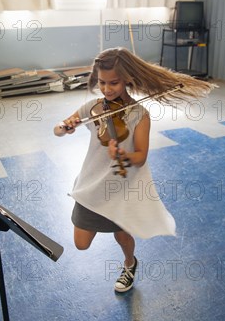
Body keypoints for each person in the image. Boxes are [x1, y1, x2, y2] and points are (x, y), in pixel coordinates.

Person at [54, 47, 214, 293]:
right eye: (102, 83)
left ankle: (129, 263)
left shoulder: (140, 114)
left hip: (120, 188)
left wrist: (123, 154)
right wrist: (65, 126)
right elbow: (58, 129)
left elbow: (140, 157)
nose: (107, 89)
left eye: (114, 83)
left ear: (127, 79)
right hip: (92, 185)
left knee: (122, 236)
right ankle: (127, 256)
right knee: (81, 243)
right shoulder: (92, 108)